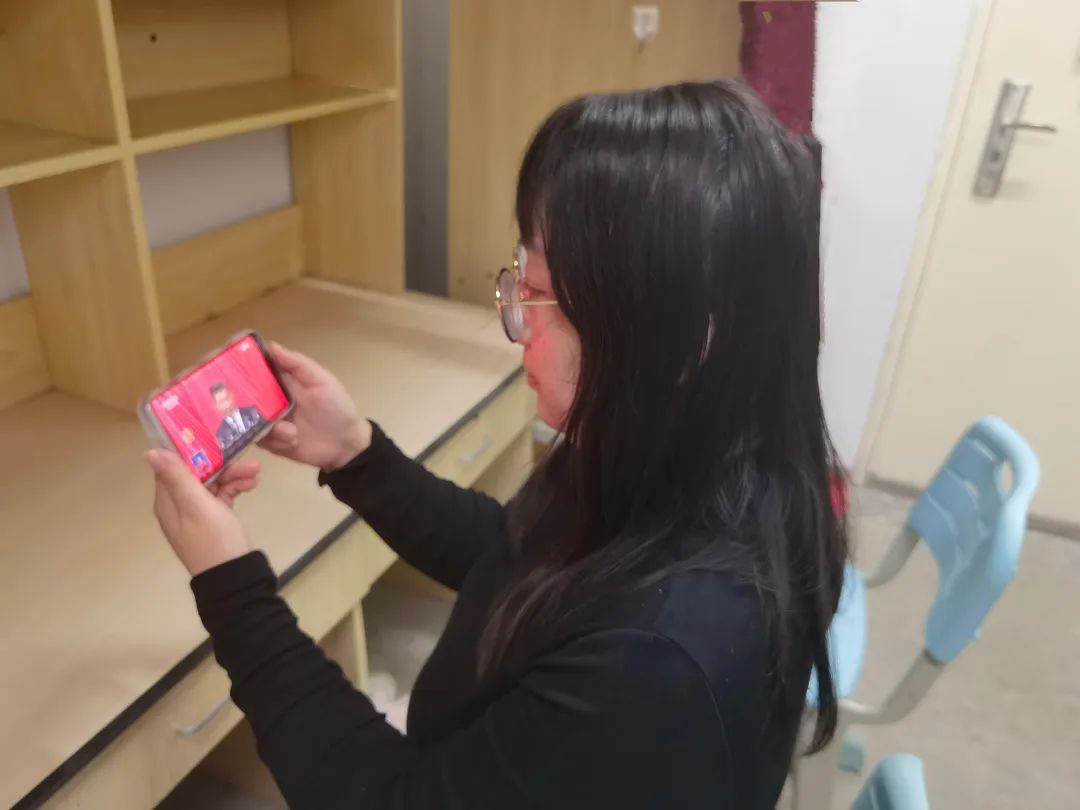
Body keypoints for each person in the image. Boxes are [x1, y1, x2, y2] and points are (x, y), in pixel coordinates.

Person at [147, 80, 848, 809]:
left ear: (677, 338)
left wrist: (230, 585)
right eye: (521, 279)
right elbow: (521, 554)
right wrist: (356, 455)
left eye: (542, 297)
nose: (518, 326)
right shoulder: (687, 446)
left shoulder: (654, 663)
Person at [210, 381, 265, 456]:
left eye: (227, 398)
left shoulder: (252, 412)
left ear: (232, 395)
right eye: (222, 402)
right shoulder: (221, 435)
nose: (227, 404)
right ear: (217, 406)